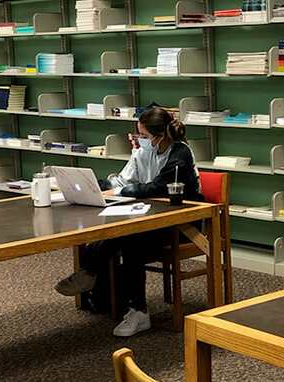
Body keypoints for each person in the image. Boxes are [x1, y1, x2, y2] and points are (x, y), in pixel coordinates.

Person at [54, 106, 204, 337]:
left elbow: (160, 187)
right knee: (122, 233)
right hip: (151, 217)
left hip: (183, 223)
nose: (139, 140)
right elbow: (123, 180)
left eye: (143, 136)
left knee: (133, 241)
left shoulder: (180, 153)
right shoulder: (142, 152)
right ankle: (93, 277)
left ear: (160, 136)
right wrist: (98, 186)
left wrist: (123, 191)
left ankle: (134, 308)